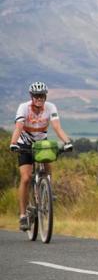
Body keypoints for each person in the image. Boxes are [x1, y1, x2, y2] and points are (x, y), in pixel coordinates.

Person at [9, 82, 73, 231]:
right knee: (26, 178)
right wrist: (13, 143)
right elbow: (18, 127)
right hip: (24, 143)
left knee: (48, 162)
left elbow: (57, 127)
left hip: (40, 143)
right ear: (32, 96)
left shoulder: (50, 107)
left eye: (42, 96)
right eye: (37, 96)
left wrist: (67, 142)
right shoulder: (23, 108)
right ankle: (23, 215)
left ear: (45, 96)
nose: (39, 98)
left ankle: (48, 191)